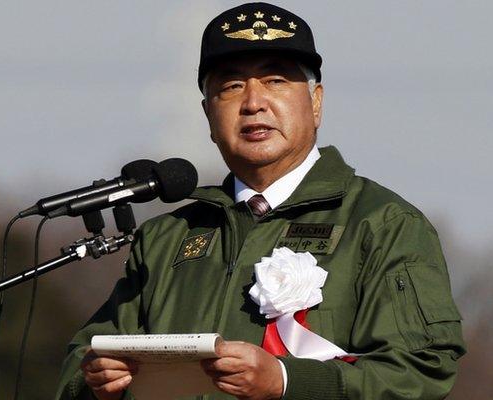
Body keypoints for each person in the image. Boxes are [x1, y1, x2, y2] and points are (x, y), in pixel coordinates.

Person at [56, 2, 466, 399]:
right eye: (231, 86)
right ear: (207, 115)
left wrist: (287, 382)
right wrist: (96, 383)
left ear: (316, 101)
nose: (253, 103)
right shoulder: (166, 237)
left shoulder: (383, 224)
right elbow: (81, 362)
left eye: (275, 81)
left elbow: (422, 373)